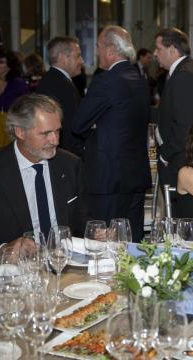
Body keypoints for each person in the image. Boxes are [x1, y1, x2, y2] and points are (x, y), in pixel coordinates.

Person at [0, 94, 90, 261]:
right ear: (20, 131)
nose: (55, 140)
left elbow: (82, 219)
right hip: (15, 273)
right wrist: (4, 250)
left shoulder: (70, 164)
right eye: (45, 133)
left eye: (57, 131)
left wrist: (95, 232)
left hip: (63, 264)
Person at [73, 26, 151, 243]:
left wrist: (99, 124)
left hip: (109, 177)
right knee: (132, 242)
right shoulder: (140, 79)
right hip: (135, 174)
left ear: (109, 49)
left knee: (104, 244)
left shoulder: (107, 80)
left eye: (98, 47)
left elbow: (78, 124)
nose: (97, 52)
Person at [154, 27, 193, 188]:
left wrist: (165, 156)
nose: (155, 53)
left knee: (177, 211)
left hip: (182, 159)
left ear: (173, 50)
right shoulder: (190, 68)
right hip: (187, 157)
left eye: (159, 49)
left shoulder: (185, 74)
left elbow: (185, 125)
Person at [36, 36, 84, 157]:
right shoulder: (57, 84)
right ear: (62, 57)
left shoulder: (58, 80)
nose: (81, 61)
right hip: (64, 156)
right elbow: (66, 128)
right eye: (78, 56)